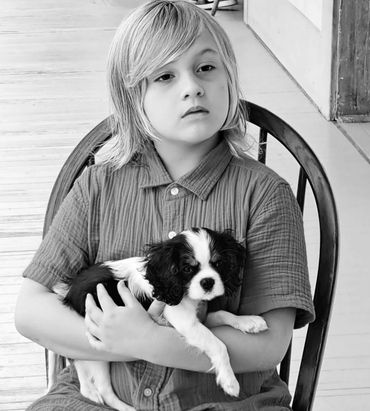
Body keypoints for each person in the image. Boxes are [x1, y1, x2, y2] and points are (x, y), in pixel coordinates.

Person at [15, 1, 315, 410]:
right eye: (165, 76)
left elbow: (268, 346)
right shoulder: (98, 187)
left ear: (231, 77)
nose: (191, 86)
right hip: (98, 400)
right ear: (131, 98)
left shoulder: (264, 195)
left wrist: (152, 341)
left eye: (206, 68)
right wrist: (125, 345)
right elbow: (31, 311)